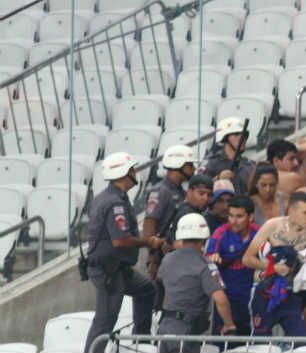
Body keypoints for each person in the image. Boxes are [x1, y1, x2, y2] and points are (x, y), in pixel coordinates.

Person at [83, 152, 162, 353]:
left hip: (118, 269)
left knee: (146, 290)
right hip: (109, 271)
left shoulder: (111, 197)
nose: (136, 173)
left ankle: (140, 342)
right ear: (124, 172)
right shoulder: (115, 202)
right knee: (105, 321)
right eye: (132, 170)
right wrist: (149, 241)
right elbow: (120, 240)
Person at [244, 193, 306, 337]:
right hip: (264, 291)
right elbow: (247, 259)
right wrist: (273, 268)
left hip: (290, 293)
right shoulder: (272, 226)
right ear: (291, 212)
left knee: (299, 340)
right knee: (260, 341)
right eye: (305, 213)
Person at [156, 213, 235, 353]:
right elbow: (220, 299)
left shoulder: (167, 259)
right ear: (204, 238)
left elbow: (160, 279)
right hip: (186, 330)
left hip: (164, 327)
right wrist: (229, 325)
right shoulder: (205, 265)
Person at [205, 196, 259, 338]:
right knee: (224, 343)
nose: (233, 221)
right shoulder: (220, 233)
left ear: (251, 216)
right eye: (231, 216)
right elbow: (208, 257)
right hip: (226, 301)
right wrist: (212, 257)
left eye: (239, 216)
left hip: (252, 299)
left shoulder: (260, 234)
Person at [145, 144, 196, 279]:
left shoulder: (180, 191)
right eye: (190, 165)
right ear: (178, 165)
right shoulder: (160, 191)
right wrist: (153, 258)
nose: (194, 169)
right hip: (162, 256)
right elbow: (149, 229)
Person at [199, 116, 254, 196]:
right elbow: (197, 187)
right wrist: (218, 178)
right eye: (236, 134)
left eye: (244, 135)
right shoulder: (211, 163)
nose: (242, 138)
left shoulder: (250, 166)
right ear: (224, 138)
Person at [167, 175, 213, 243]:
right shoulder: (188, 215)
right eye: (201, 193)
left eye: (209, 195)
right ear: (189, 191)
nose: (206, 198)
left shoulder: (184, 208)